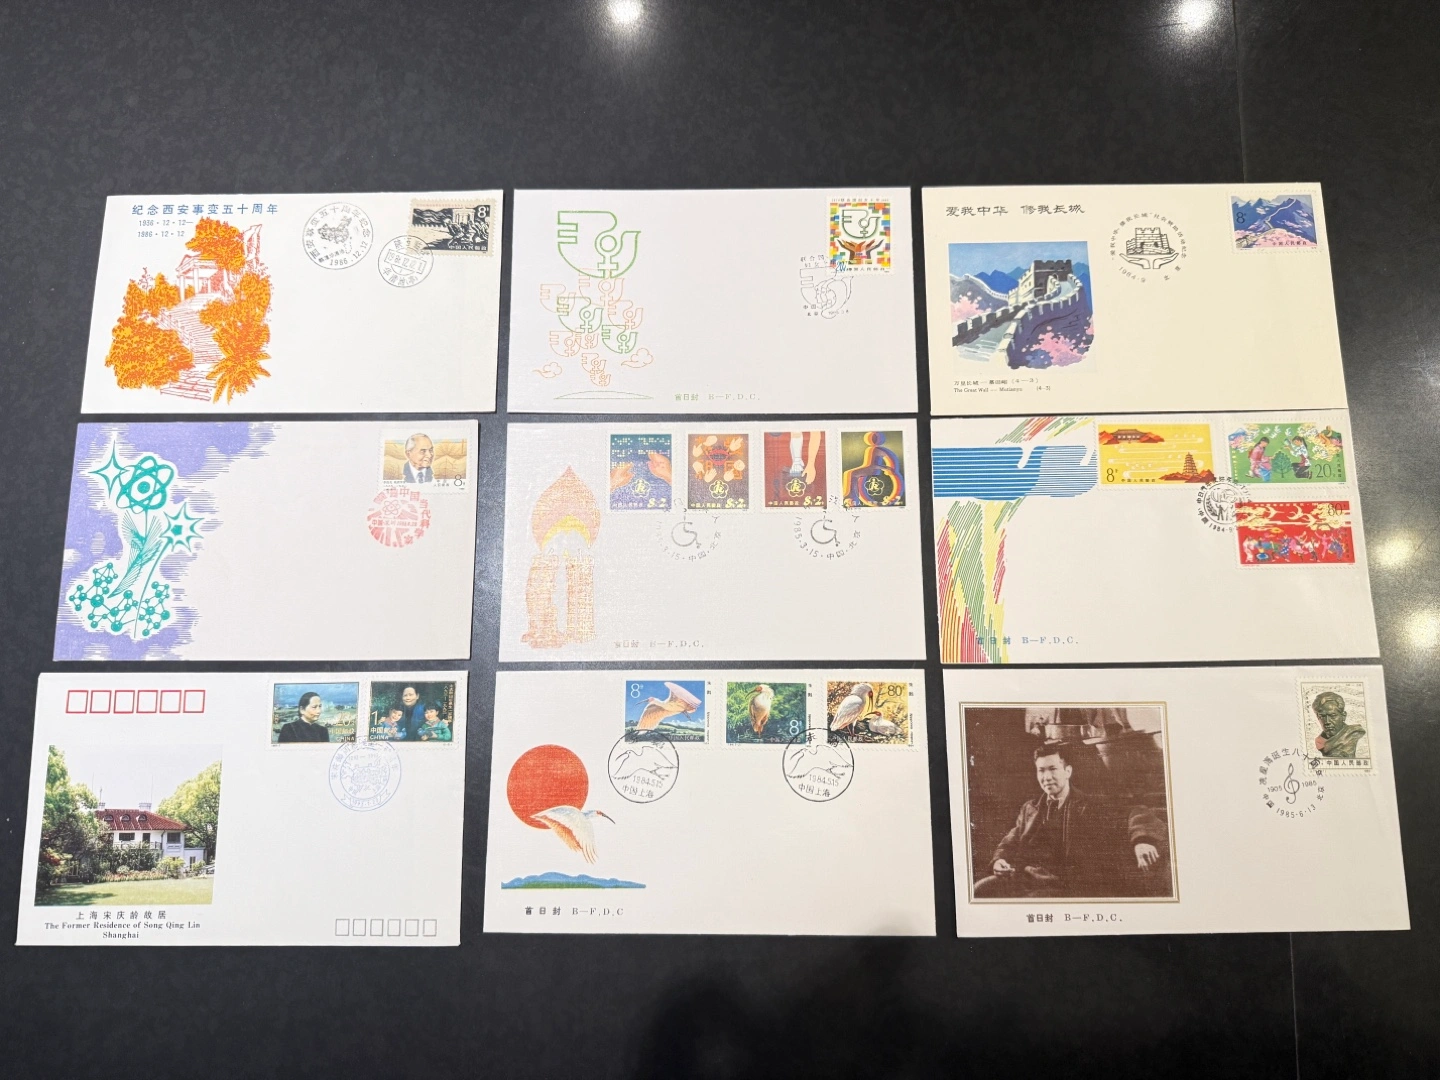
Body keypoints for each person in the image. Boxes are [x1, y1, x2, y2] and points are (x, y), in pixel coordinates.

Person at [973, 745, 1164, 899]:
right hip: (1024, 879)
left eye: (1053, 769)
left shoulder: (1091, 805)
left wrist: (1142, 841)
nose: (1046, 777)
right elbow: (1010, 842)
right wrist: (999, 860)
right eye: (1041, 771)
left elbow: (1136, 811)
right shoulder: (1030, 808)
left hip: (1064, 887)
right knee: (979, 890)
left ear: (1068, 771)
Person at [1311, 691, 1366, 758]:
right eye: (1322, 716)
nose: (1327, 721)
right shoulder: (1318, 742)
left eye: (1333, 716)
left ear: (1343, 716)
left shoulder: (1354, 735)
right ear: (1318, 717)